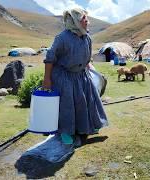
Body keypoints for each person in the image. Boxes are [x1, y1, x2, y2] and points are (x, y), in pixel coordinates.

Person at [42, 8, 108, 146]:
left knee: (86, 100)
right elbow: (50, 58)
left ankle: (85, 127)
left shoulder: (86, 38)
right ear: (76, 21)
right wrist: (47, 80)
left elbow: (87, 58)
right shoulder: (62, 38)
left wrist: (92, 71)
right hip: (64, 76)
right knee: (67, 105)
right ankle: (65, 131)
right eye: (85, 19)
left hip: (81, 75)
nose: (88, 22)